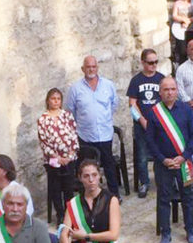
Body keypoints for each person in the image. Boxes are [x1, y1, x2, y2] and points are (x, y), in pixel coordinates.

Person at [146, 77, 193, 243]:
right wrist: (163, 160)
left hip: (184, 163)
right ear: (160, 92)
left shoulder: (186, 110)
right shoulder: (154, 112)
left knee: (187, 197)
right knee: (164, 198)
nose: (169, 92)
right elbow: (150, 141)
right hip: (164, 164)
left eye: (172, 89)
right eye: (166, 89)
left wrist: (184, 156)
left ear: (177, 91)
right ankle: (165, 233)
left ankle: (190, 230)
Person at [65, 55, 120, 197]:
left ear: (97, 67)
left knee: (109, 165)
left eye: (93, 66)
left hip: (105, 133)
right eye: (88, 67)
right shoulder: (75, 89)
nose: (91, 69)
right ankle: (88, 196)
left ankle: (114, 195)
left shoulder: (108, 85)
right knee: (87, 168)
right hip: (86, 136)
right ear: (83, 69)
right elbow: (70, 111)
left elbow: (114, 105)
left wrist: (103, 118)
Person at [126, 48, 165, 199]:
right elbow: (132, 104)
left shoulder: (161, 79)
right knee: (142, 155)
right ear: (143, 63)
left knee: (160, 154)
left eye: (156, 62)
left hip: (159, 125)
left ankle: (162, 181)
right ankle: (144, 182)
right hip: (141, 126)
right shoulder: (136, 81)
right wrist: (142, 120)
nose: (153, 65)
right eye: (150, 62)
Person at [36, 87, 80, 213]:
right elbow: (44, 141)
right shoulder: (43, 119)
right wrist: (58, 158)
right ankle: (60, 214)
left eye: (58, 99)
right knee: (56, 188)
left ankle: (70, 214)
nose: (56, 101)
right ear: (48, 101)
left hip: (69, 158)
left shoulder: (67, 116)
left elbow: (73, 135)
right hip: (53, 160)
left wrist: (69, 155)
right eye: (53, 99)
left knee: (68, 187)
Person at [171, 0, 193, 64]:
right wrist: (183, 20)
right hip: (180, 30)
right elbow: (174, 15)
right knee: (182, 50)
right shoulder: (177, 3)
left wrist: (188, 21)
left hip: (192, 29)